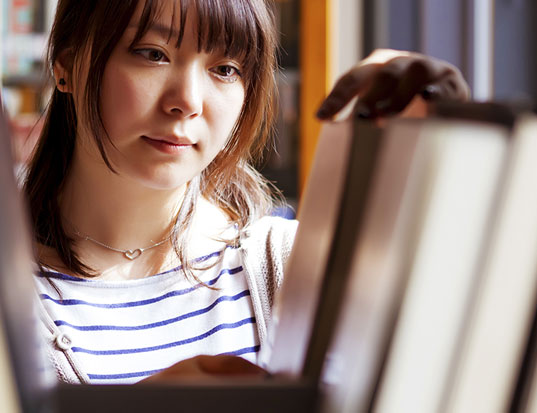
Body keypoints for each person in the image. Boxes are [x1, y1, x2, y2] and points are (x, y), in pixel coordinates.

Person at [25, 0, 469, 385]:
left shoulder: (289, 267)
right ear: (65, 64)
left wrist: (449, 145)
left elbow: (465, 337)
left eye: (225, 69)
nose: (188, 100)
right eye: (152, 53)